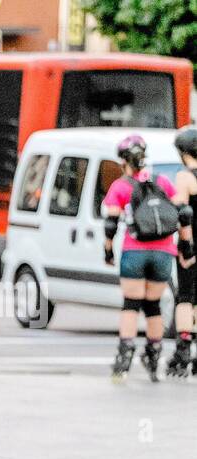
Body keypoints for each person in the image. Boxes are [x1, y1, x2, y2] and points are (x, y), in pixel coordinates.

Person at [104, 135, 185, 382]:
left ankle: (124, 359)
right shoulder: (161, 181)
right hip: (163, 253)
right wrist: (186, 246)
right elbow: (180, 213)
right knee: (153, 307)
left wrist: (108, 250)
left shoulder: (120, 186)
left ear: (122, 161)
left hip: (135, 251)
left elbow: (111, 223)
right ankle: (153, 357)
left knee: (131, 305)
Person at [167, 126, 197, 378]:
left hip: (192, 241)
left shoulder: (185, 177)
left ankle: (183, 349)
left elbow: (183, 214)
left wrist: (186, 247)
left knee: (185, 296)